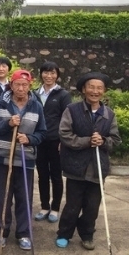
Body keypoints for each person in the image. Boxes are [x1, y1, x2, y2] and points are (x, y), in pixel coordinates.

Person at [56, 72, 121, 250]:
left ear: (104, 91)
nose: (95, 91)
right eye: (91, 87)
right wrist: (86, 141)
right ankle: (64, 234)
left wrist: (104, 141)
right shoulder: (72, 110)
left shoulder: (109, 114)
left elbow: (115, 140)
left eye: (99, 88)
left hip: (98, 167)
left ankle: (87, 235)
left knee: (92, 207)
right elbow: (64, 134)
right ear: (84, 89)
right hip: (76, 167)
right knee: (72, 205)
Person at [0, 69, 46, 251]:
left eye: (25, 85)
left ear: (30, 86)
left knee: (24, 197)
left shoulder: (36, 105)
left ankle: (23, 233)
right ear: (11, 85)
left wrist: (29, 139)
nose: (21, 88)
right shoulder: (1, 102)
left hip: (25, 159)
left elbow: (42, 132)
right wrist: (8, 124)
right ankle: (1, 231)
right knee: (2, 196)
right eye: (17, 84)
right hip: (3, 158)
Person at [33, 62, 71, 223]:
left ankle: (55, 208)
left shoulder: (63, 94)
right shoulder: (34, 94)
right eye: (46, 72)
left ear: (57, 75)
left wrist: (63, 140)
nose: (49, 76)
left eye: (52, 73)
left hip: (56, 141)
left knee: (56, 175)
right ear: (41, 74)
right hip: (39, 140)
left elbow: (68, 118)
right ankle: (44, 206)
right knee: (42, 175)